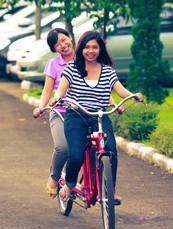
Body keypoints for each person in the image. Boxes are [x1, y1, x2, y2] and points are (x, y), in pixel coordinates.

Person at [50, 30, 143, 202]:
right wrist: (55, 99)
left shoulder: (107, 71)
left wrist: (133, 96)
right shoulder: (72, 69)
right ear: (81, 49)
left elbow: (120, 90)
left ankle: (110, 191)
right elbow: (61, 90)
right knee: (76, 155)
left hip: (99, 116)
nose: (91, 51)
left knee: (111, 150)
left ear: (100, 49)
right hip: (76, 116)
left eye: (95, 47)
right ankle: (70, 184)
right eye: (87, 47)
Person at [33, 28, 75, 198]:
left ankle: (89, 184)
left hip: (83, 112)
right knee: (63, 147)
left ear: (70, 37)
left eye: (64, 40)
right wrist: (41, 107)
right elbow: (47, 90)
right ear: (54, 49)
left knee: (91, 148)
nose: (63, 45)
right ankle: (55, 176)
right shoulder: (53, 64)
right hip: (60, 111)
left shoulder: (85, 59)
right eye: (58, 44)